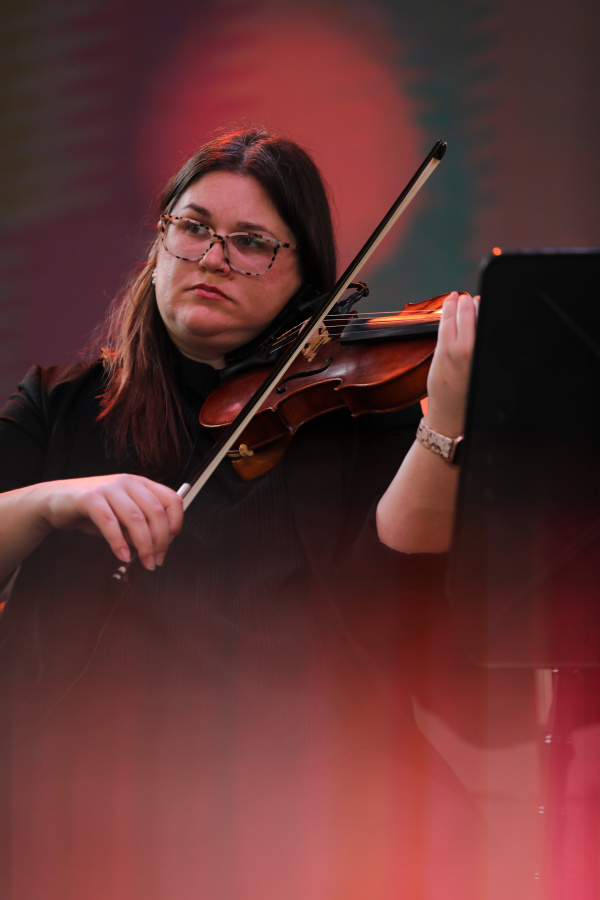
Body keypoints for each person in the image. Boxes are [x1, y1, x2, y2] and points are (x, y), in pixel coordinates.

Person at [0, 127, 483, 900]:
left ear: (305, 277)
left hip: (300, 818)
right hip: (77, 816)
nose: (213, 258)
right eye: (193, 227)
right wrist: (56, 499)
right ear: (160, 240)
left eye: (252, 243)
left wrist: (446, 421)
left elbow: (397, 610)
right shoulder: (61, 405)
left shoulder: (347, 411)